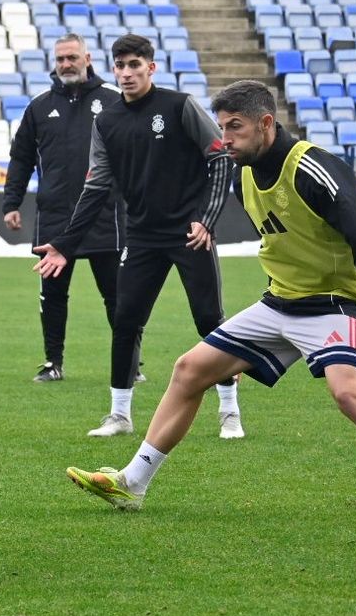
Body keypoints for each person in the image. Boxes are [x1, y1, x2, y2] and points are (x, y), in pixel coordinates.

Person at [66, 80, 356, 526]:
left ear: (266, 124)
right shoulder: (242, 173)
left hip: (332, 305)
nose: (224, 138)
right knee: (189, 370)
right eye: (222, 127)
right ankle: (132, 483)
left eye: (235, 127)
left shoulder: (314, 168)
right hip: (279, 303)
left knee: (349, 395)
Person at [35, 33, 243, 439]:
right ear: (112, 69)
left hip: (189, 235)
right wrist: (64, 245)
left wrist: (206, 220)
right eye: (120, 66)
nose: (127, 73)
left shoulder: (179, 106)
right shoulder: (106, 121)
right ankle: (119, 415)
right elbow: (95, 188)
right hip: (142, 237)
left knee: (208, 319)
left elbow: (220, 158)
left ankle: (229, 410)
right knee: (126, 320)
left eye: (135, 65)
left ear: (151, 67)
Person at [2, 32, 124, 382]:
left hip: (105, 216)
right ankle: (53, 362)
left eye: (72, 57)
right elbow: (21, 158)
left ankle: (130, 362)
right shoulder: (39, 107)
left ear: (88, 59)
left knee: (117, 296)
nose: (66, 64)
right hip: (54, 218)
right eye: (60, 59)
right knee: (53, 295)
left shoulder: (113, 101)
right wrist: (11, 203)